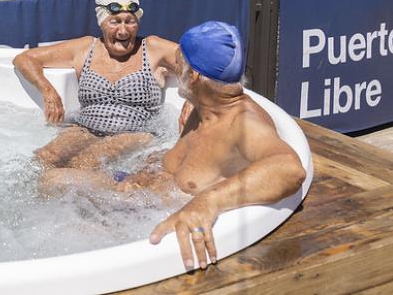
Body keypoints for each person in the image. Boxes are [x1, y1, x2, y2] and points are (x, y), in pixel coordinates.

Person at [40, 21, 306, 270]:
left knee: (65, 242)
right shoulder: (205, 108)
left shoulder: (244, 123)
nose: (175, 71)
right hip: (138, 196)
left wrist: (208, 202)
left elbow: (290, 169)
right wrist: (144, 171)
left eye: (180, 65)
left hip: (154, 222)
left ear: (195, 77)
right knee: (52, 180)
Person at [13, 0, 179, 170]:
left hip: (136, 132)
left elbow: (200, 62)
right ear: (101, 23)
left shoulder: (152, 48)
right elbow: (24, 59)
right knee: (43, 158)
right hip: (84, 128)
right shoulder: (85, 48)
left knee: (86, 162)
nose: (123, 31)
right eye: (115, 22)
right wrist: (48, 92)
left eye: (130, 21)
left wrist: (193, 101)